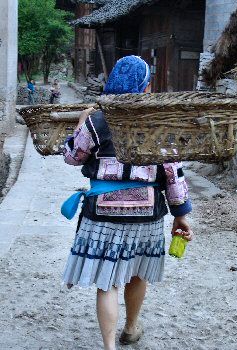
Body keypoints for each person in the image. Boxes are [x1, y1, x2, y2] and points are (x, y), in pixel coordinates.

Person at [62, 55, 193, 350]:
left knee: (107, 280)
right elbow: (173, 172)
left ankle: (109, 346)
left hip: (102, 213)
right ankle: (131, 328)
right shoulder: (159, 124)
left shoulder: (97, 119)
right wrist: (180, 214)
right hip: (146, 213)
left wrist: (79, 126)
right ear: (145, 88)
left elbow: (73, 157)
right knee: (136, 272)